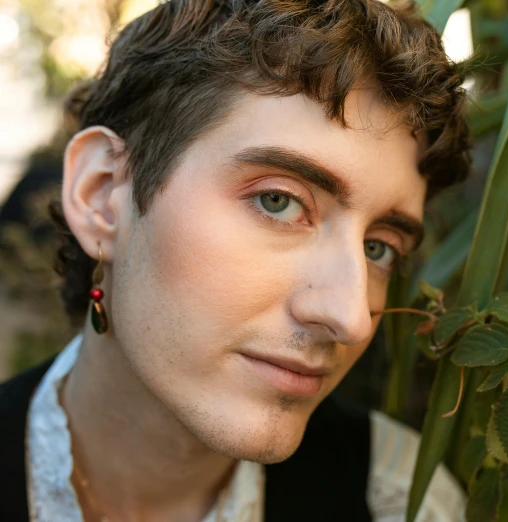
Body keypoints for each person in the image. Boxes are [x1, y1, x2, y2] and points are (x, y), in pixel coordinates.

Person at [0, 0, 472, 520]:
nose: (350, 317)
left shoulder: (401, 500)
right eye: (279, 201)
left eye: (378, 247)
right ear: (102, 195)